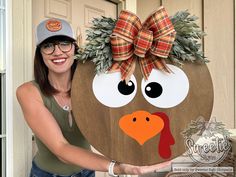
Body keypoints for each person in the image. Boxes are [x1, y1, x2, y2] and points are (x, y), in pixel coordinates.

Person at [16, 18, 170, 177]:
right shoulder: (28, 92)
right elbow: (61, 148)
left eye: (64, 43)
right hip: (46, 174)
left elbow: (119, 121)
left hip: (86, 173)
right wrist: (118, 167)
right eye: (48, 46)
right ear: (40, 53)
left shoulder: (93, 88)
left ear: (75, 48)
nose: (57, 51)